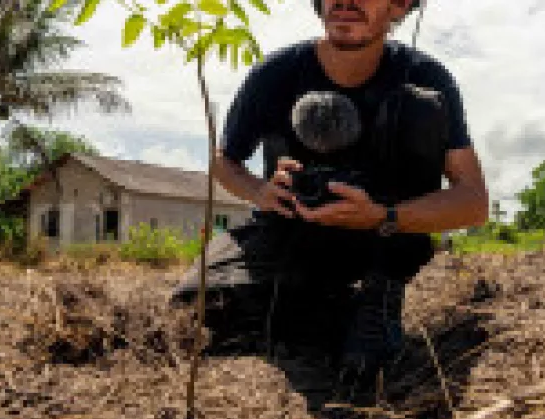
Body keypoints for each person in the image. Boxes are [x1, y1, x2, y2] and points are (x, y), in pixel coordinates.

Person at [170, 0, 490, 394]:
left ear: (400, 5)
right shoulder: (276, 73)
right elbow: (224, 161)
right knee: (201, 302)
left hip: (383, 239)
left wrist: (383, 215)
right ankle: (321, 305)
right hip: (291, 232)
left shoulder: (427, 76)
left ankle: (379, 294)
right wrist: (260, 191)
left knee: (420, 104)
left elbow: (473, 202)